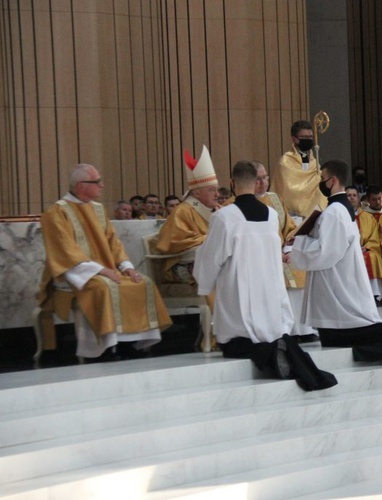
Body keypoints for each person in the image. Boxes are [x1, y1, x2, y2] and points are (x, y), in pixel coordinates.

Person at [193, 160, 336, 391]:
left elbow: (210, 260)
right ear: (255, 182)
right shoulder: (271, 215)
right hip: (270, 307)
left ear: (231, 183)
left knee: (239, 343)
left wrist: (204, 280)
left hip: (239, 310)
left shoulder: (224, 217)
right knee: (269, 336)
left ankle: (273, 354)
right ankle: (278, 348)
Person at [291, 160, 382, 365]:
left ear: (333, 181)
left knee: (349, 325)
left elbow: (326, 252)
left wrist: (297, 247)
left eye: (322, 179)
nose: (320, 183)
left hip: (336, 279)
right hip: (340, 273)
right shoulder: (341, 209)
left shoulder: (334, 212)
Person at [38, 164, 172, 358]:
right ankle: (104, 348)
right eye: (97, 182)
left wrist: (126, 267)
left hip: (106, 269)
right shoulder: (57, 212)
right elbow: (65, 250)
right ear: (82, 186)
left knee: (141, 282)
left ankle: (132, 344)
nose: (102, 185)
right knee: (103, 288)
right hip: (73, 273)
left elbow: (113, 243)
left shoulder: (99, 210)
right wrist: (99, 270)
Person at [254, 160, 317, 339]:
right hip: (261, 258)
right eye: (258, 179)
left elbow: (289, 228)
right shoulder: (239, 204)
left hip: (282, 253)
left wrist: (288, 248)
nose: (262, 183)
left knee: (298, 268)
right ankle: (285, 330)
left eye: (265, 178)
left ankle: (303, 329)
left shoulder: (274, 198)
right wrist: (275, 253)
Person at [156, 145, 220, 283]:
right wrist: (211, 239)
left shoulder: (218, 209)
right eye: (211, 190)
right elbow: (174, 241)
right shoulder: (182, 211)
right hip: (182, 261)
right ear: (196, 193)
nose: (217, 194)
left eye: (217, 190)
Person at [273, 120, 328, 222]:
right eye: (305, 138)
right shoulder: (285, 162)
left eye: (310, 137)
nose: (308, 140)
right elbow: (290, 191)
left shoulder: (314, 162)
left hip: (315, 215)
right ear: (294, 139)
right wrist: (314, 181)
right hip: (293, 216)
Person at [347, 186, 382, 304]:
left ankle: (375, 295)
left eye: (354, 195)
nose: (351, 198)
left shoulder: (367, 217)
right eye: (348, 195)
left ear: (359, 199)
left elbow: (374, 237)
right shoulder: (340, 215)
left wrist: (367, 247)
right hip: (347, 250)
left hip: (365, 249)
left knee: (372, 257)